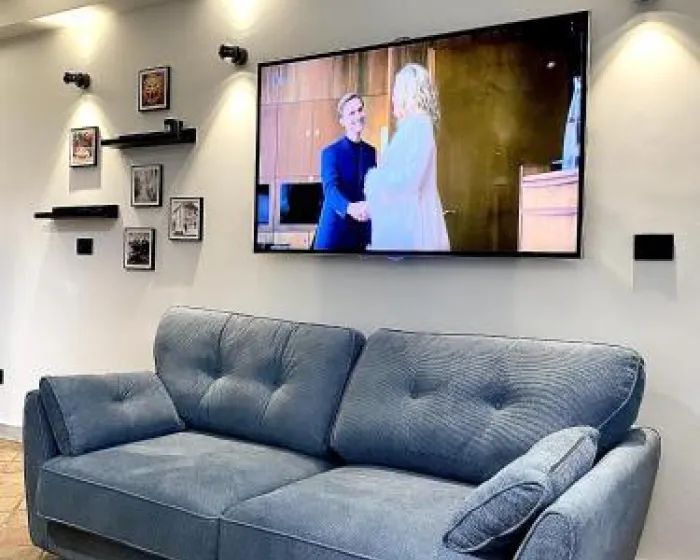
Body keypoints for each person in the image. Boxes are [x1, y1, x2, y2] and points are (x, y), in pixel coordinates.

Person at [363, 63, 450, 252]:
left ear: (408, 92)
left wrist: (375, 181)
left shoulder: (419, 126)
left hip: (415, 230)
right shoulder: (413, 127)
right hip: (409, 225)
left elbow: (410, 181)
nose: (393, 97)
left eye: (396, 90)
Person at [313, 93, 377, 251]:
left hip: (360, 233)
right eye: (351, 113)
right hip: (334, 234)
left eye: (360, 110)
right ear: (342, 121)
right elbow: (330, 190)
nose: (358, 116)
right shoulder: (330, 152)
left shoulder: (371, 152)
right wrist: (351, 208)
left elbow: (371, 189)